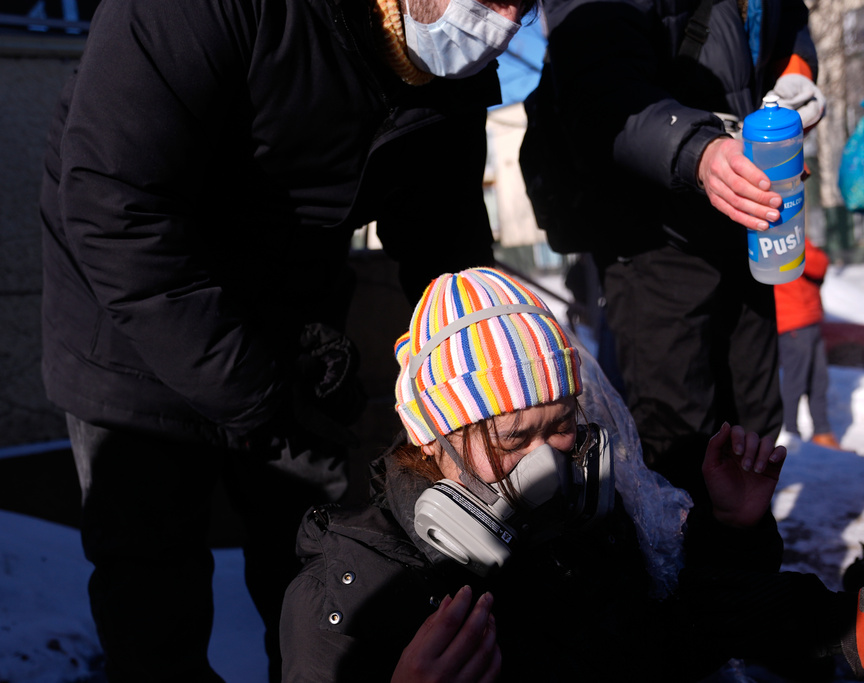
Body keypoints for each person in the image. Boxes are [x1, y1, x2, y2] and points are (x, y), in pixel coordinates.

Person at [38, 0, 531, 679]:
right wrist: (256, 391)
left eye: (525, 1)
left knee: (326, 584)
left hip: (290, 324)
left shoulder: (449, 71)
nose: (505, 17)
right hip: (128, 322)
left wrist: (500, 380)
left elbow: (444, 245)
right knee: (153, 602)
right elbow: (113, 205)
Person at [279, 266, 864, 682]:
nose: (549, 457)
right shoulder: (348, 590)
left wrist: (729, 532)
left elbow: (689, 645)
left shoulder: (581, 520)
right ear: (434, 437)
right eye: (515, 437)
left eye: (561, 425)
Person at [521, 0, 824, 494]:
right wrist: (697, 150)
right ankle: (679, 567)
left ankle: (748, 563)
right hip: (653, 236)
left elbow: (788, 24)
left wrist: (796, 74)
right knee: (676, 446)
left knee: (757, 427)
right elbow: (600, 92)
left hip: (744, 227)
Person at [774, 239, 841, 449]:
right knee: (796, 381)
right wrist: (800, 243)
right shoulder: (784, 237)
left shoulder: (786, 237)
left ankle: (821, 431)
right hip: (794, 319)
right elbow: (818, 263)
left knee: (818, 380)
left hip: (806, 317)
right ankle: (790, 433)